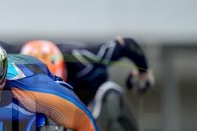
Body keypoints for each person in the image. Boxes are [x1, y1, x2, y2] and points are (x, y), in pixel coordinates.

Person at [20, 37, 154, 105]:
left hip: (89, 89)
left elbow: (126, 45)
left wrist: (143, 72)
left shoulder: (80, 58)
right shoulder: (12, 61)